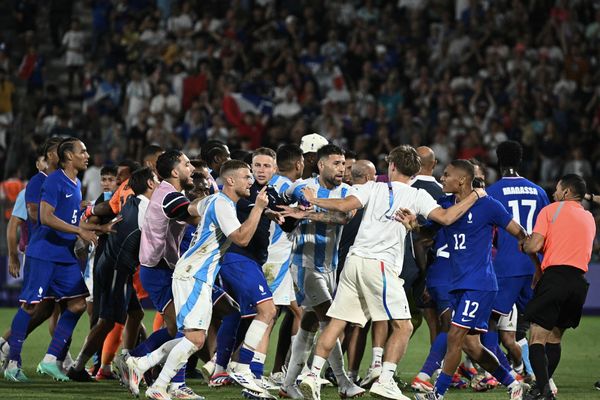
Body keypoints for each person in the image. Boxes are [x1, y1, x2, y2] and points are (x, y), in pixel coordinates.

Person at [298, 146, 485, 400]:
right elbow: (446, 217)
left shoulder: (371, 187)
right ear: (415, 170)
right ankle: (385, 380)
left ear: (392, 166)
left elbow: (344, 205)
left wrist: (315, 199)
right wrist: (474, 196)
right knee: (404, 327)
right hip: (380, 265)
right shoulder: (416, 195)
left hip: (354, 262)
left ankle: (312, 374)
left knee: (338, 321)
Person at [129, 160, 271, 400]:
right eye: (247, 176)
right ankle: (158, 386)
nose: (251, 181)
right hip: (194, 274)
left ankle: (142, 364)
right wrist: (258, 209)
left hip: (195, 273)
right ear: (230, 180)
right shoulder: (223, 205)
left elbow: (194, 207)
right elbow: (242, 239)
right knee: (195, 338)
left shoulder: (216, 202)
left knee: (193, 338)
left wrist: (202, 204)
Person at [415, 159, 528, 400]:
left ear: (462, 180)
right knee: (471, 346)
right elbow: (427, 232)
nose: (442, 178)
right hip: (457, 284)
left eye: (446, 175)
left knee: (455, 336)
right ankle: (513, 383)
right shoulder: (446, 204)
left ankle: (437, 393)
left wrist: (525, 245)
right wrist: (412, 225)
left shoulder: (489, 206)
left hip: (479, 284)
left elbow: (517, 231)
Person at [4, 138, 111, 382]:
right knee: (31, 307)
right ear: (69, 157)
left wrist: (99, 228)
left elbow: (71, 222)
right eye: (82, 151)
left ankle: (51, 359)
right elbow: (45, 217)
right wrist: (78, 232)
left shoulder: (75, 184)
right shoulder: (53, 180)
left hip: (63, 255)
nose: (87, 155)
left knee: (77, 303)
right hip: (44, 253)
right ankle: (12, 362)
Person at [278, 144, 363, 400]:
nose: (341, 168)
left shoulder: (348, 191)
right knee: (330, 320)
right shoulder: (304, 186)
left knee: (310, 323)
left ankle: (287, 383)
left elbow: (344, 218)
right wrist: (290, 205)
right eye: (336, 163)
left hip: (330, 265)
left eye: (343, 163)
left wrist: (307, 212)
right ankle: (343, 382)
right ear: (321, 164)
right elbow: (283, 192)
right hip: (304, 263)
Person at [67, 167, 157, 381]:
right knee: (107, 321)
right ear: (150, 184)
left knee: (136, 314)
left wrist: (91, 213)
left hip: (114, 265)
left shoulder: (131, 202)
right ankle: (79, 367)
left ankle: (125, 358)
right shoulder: (145, 210)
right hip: (116, 268)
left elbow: (109, 208)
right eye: (156, 179)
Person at [522, 174, 595, 400]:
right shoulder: (589, 217)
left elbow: (534, 244)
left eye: (557, 189)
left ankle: (544, 391)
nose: (554, 193)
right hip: (579, 284)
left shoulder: (551, 210)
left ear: (565, 192)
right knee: (554, 338)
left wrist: (525, 244)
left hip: (555, 278)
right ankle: (541, 388)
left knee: (536, 337)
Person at [485, 141, 550, 385]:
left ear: (498, 160)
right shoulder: (539, 191)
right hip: (535, 267)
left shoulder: (493, 192)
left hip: (505, 267)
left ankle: (504, 374)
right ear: (520, 161)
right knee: (537, 325)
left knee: (487, 323)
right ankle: (543, 378)